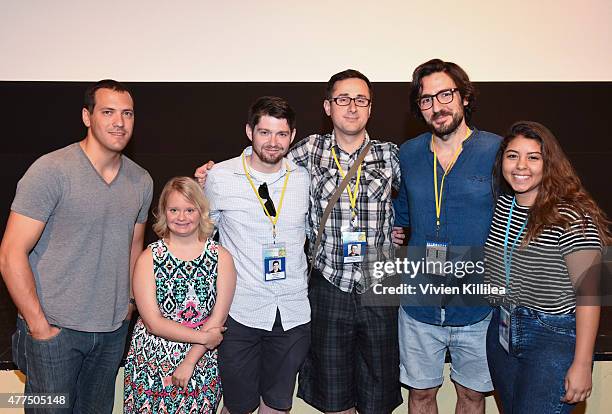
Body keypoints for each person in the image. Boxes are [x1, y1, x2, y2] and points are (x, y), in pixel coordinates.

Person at [196, 71, 402, 413]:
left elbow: (414, 202)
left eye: (360, 100)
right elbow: (261, 167)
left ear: (370, 107)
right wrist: (207, 178)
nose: (351, 107)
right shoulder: (307, 152)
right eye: (342, 99)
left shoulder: (392, 155)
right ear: (327, 106)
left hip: (378, 284)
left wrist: (402, 229)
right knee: (333, 394)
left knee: (379, 394)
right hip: (327, 284)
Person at [0, 79, 153, 412]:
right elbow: (11, 254)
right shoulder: (51, 171)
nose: (119, 122)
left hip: (112, 332)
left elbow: (134, 248)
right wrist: (39, 326)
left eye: (127, 113)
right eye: (108, 112)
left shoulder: (141, 181)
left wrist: (128, 306)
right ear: (87, 116)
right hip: (55, 331)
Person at [393, 59, 501, 413]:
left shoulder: (498, 152)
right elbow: (400, 219)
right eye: (426, 100)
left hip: (477, 305)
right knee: (421, 394)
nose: (437, 107)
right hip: (418, 303)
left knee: (471, 395)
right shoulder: (407, 154)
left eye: (445, 94)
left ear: (464, 97)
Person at [484, 121, 609, 413]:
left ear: (548, 163)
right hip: (502, 332)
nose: (521, 165)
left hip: (551, 338)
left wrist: (582, 363)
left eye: (533, 157)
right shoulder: (505, 206)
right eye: (512, 155)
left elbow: (591, 295)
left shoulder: (571, 214)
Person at [204, 96, 311, 414]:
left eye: (281, 134)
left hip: (292, 312)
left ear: (292, 135)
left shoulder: (304, 178)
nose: (273, 142)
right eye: (264, 132)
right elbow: (202, 237)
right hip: (240, 312)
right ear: (249, 131)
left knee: (277, 407)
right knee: (237, 407)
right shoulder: (220, 177)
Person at [124, 177, 236, 413]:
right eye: (174, 209)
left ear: (201, 211)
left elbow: (217, 319)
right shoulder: (149, 258)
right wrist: (205, 338)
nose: (182, 217)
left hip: (200, 362)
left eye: (189, 210)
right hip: (151, 361)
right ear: (164, 212)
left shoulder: (221, 257)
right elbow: (153, 323)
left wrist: (189, 361)